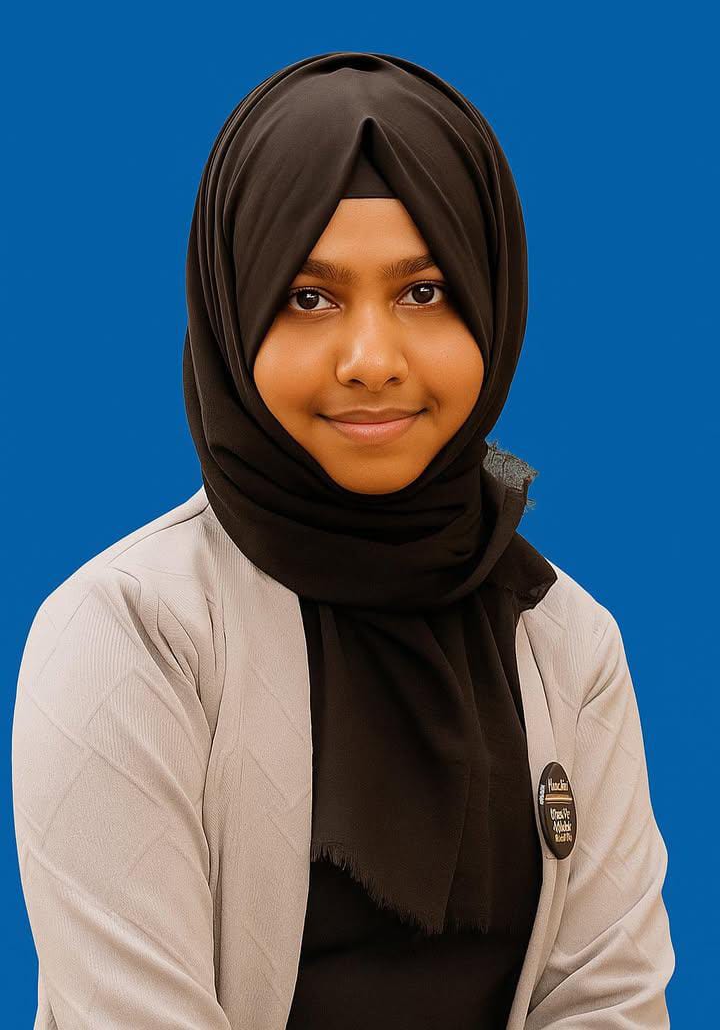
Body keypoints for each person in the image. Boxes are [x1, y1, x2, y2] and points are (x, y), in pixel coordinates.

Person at [11, 51, 675, 1029]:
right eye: (309, 297)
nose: (371, 360)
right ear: (233, 316)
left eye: (424, 292)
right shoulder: (130, 637)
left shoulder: (566, 644)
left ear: (494, 302)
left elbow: (609, 1000)